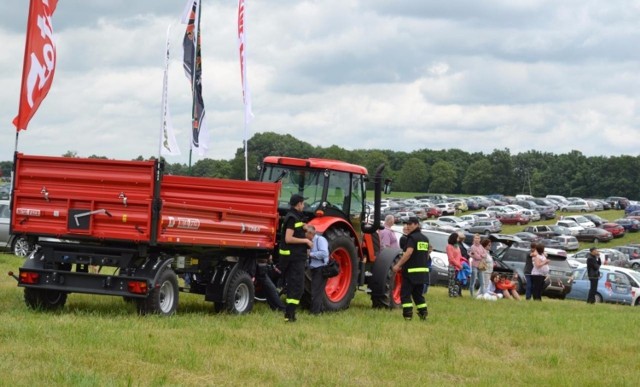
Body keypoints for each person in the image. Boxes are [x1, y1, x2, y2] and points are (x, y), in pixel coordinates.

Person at [279, 194, 313, 322]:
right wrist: (306, 241)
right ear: (298, 204)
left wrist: (304, 226)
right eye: (303, 203)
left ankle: (290, 314)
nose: (304, 206)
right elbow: (288, 238)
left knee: (295, 286)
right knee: (297, 286)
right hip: (293, 259)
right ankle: (289, 315)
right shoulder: (292, 218)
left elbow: (297, 227)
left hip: (295, 258)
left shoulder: (295, 217)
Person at [392, 216, 430, 320]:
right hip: (422, 273)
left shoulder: (412, 238)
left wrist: (398, 265)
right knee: (418, 295)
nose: (408, 226)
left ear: (417, 225)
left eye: (410, 224)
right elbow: (426, 255)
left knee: (405, 295)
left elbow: (408, 253)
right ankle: (423, 314)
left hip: (411, 272)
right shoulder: (425, 238)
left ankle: (408, 316)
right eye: (407, 224)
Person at [306, 225, 329, 315]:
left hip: (321, 268)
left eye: (306, 233)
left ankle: (315, 312)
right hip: (314, 268)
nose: (305, 236)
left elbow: (324, 253)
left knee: (316, 290)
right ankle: (320, 309)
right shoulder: (310, 241)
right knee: (317, 290)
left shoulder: (320, 240)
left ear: (311, 233)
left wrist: (310, 254)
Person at [446, 232, 463, 297]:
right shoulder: (449, 246)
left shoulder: (457, 246)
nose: (458, 239)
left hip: (458, 267)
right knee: (452, 281)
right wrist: (458, 265)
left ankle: (456, 294)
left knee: (457, 281)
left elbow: (460, 256)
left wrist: (462, 263)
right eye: (457, 238)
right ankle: (451, 294)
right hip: (452, 266)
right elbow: (451, 259)